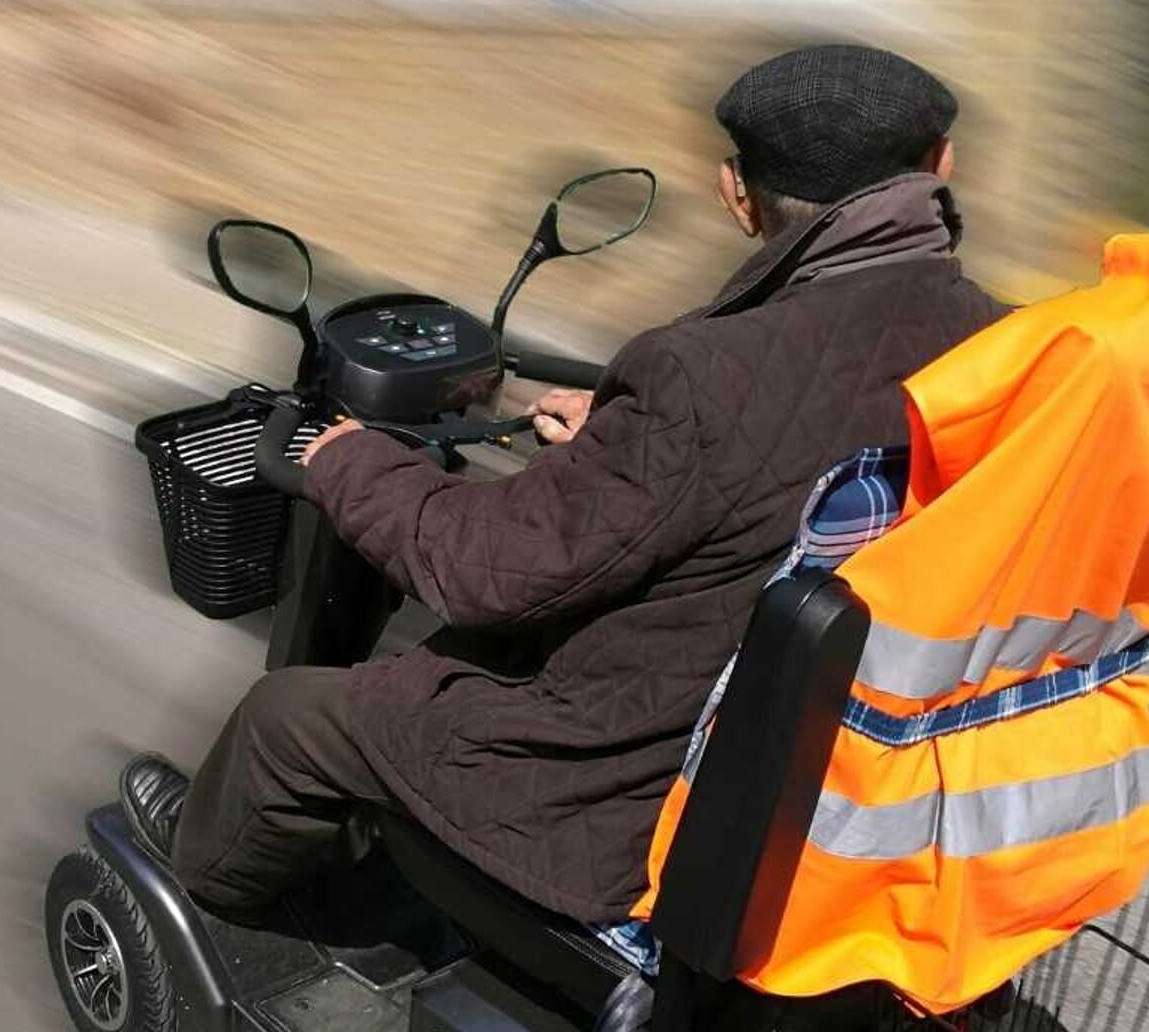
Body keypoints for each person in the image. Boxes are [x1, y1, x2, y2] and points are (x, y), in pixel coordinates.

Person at [124, 44, 1008, 925]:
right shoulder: (1007, 349)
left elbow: (486, 574)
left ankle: (201, 884)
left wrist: (343, 456)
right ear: (942, 164)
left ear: (735, 193)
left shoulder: (703, 375)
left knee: (289, 718)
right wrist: (627, 432)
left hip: (616, 795)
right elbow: (793, 456)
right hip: (839, 759)